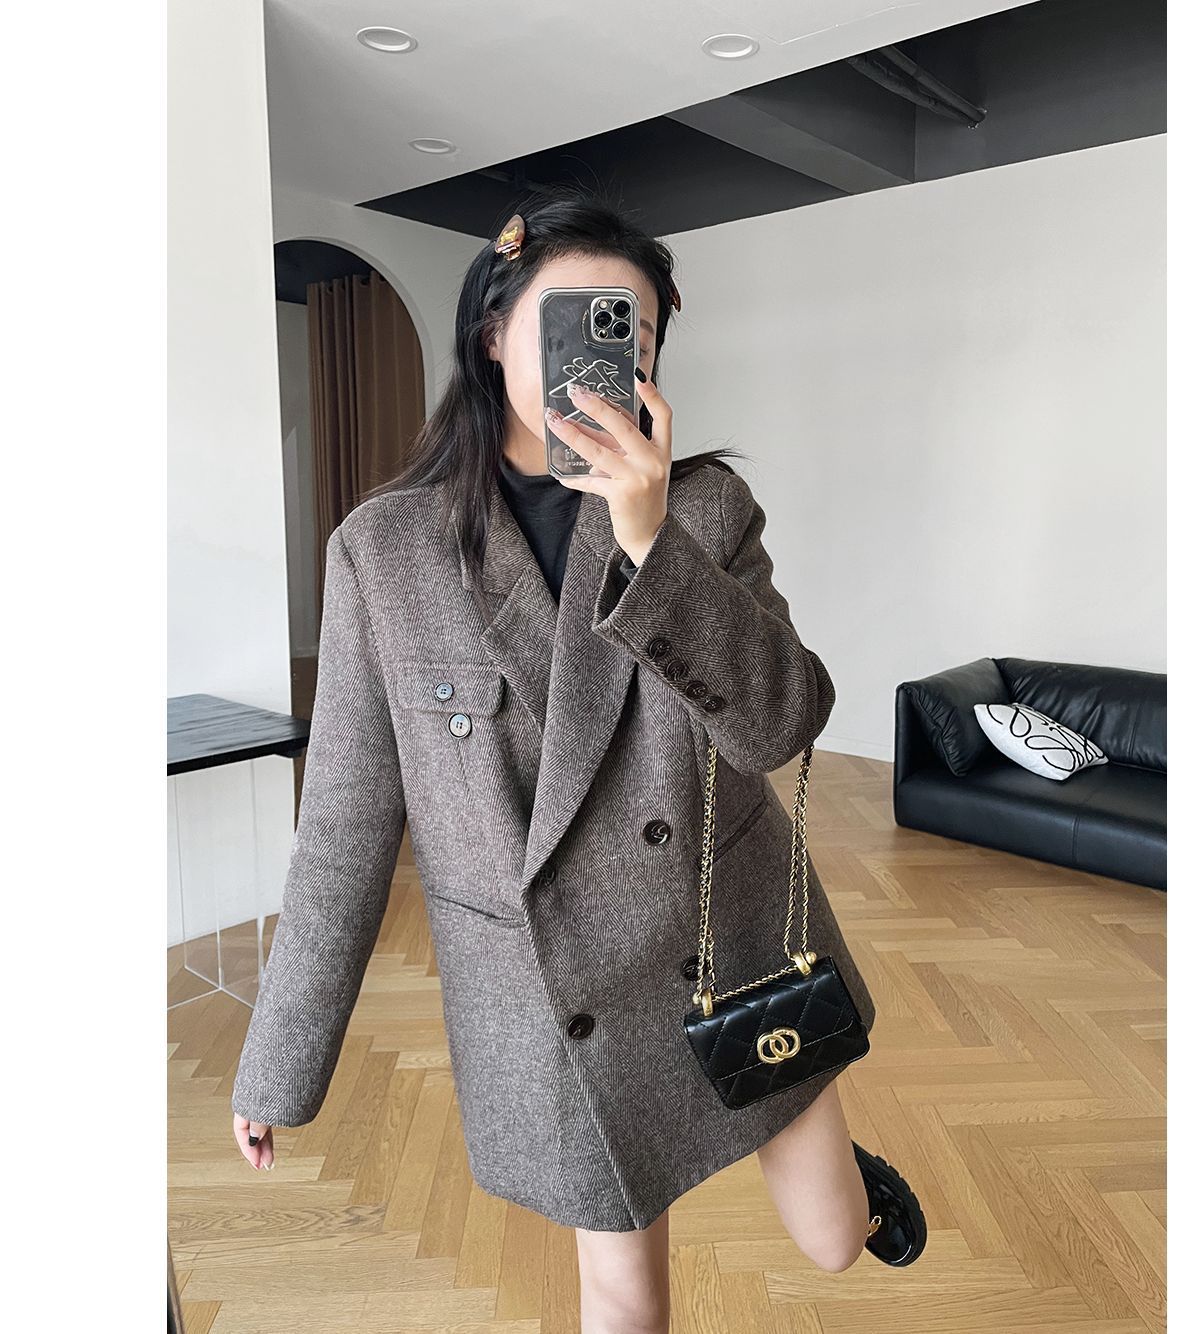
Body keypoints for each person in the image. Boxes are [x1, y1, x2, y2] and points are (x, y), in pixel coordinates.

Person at [230, 184, 925, 1332]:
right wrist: (278, 1062)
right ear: (494, 334)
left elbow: (781, 724)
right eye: (572, 320)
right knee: (620, 1288)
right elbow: (345, 824)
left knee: (832, 1241)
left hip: (725, 940)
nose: (605, 351)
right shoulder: (384, 553)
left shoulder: (703, 510)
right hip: (557, 993)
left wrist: (650, 543)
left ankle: (852, 1181)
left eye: (630, 330)